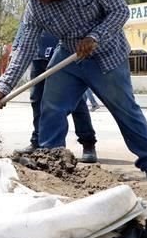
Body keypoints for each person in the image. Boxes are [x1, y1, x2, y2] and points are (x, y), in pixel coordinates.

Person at [0, 0, 147, 180]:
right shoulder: (35, 7)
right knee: (51, 108)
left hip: (107, 56)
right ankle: (52, 164)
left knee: (126, 111)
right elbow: (24, 48)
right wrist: (4, 87)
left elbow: (120, 10)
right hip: (69, 56)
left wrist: (95, 37)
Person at [18, 27, 98, 162]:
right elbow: (25, 30)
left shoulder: (63, 7)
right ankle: (38, 141)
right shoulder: (33, 8)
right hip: (38, 57)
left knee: (77, 102)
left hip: (63, 55)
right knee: (37, 100)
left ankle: (88, 143)